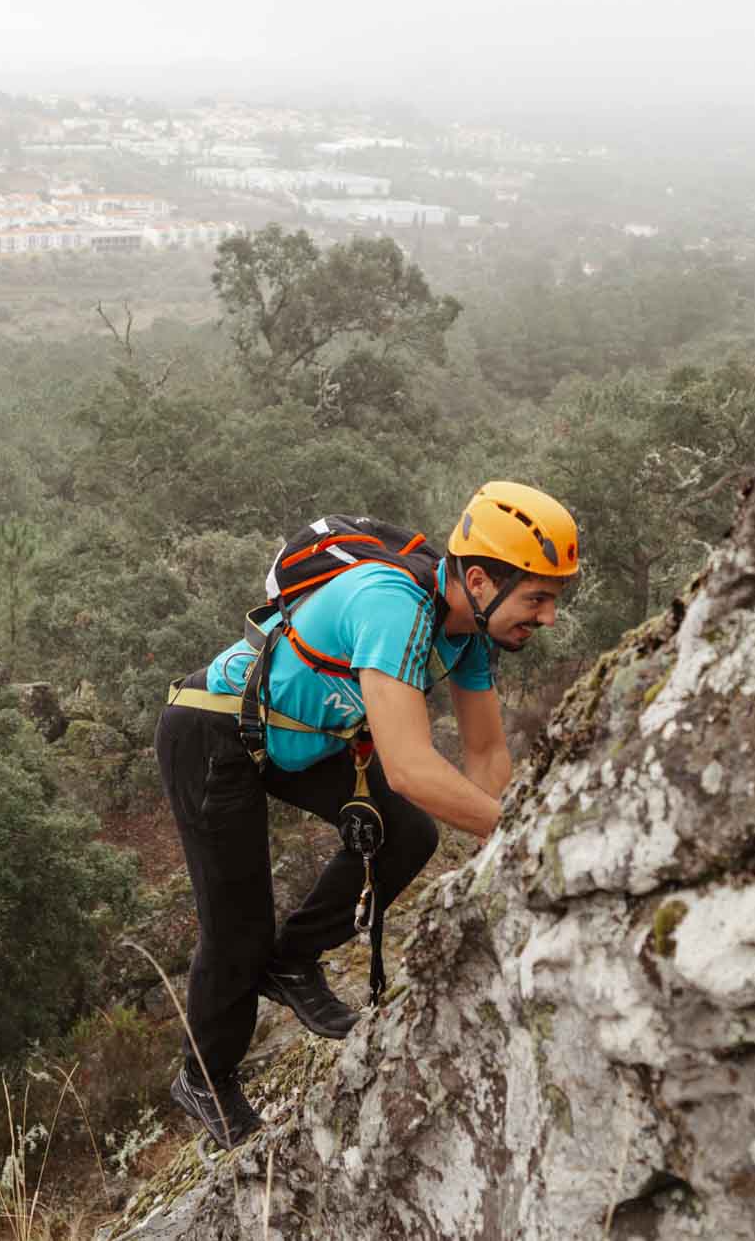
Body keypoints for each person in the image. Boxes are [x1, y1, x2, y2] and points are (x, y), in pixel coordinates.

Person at [154, 481, 579, 1148]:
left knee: (405, 833)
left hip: (302, 741)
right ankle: (205, 1078)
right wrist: (521, 834)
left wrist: (499, 843)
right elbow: (410, 766)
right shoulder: (393, 604)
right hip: (215, 734)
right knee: (237, 927)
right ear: (478, 579)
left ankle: (292, 961)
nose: (548, 616)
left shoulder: (468, 635)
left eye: (552, 598)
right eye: (537, 597)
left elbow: (487, 749)